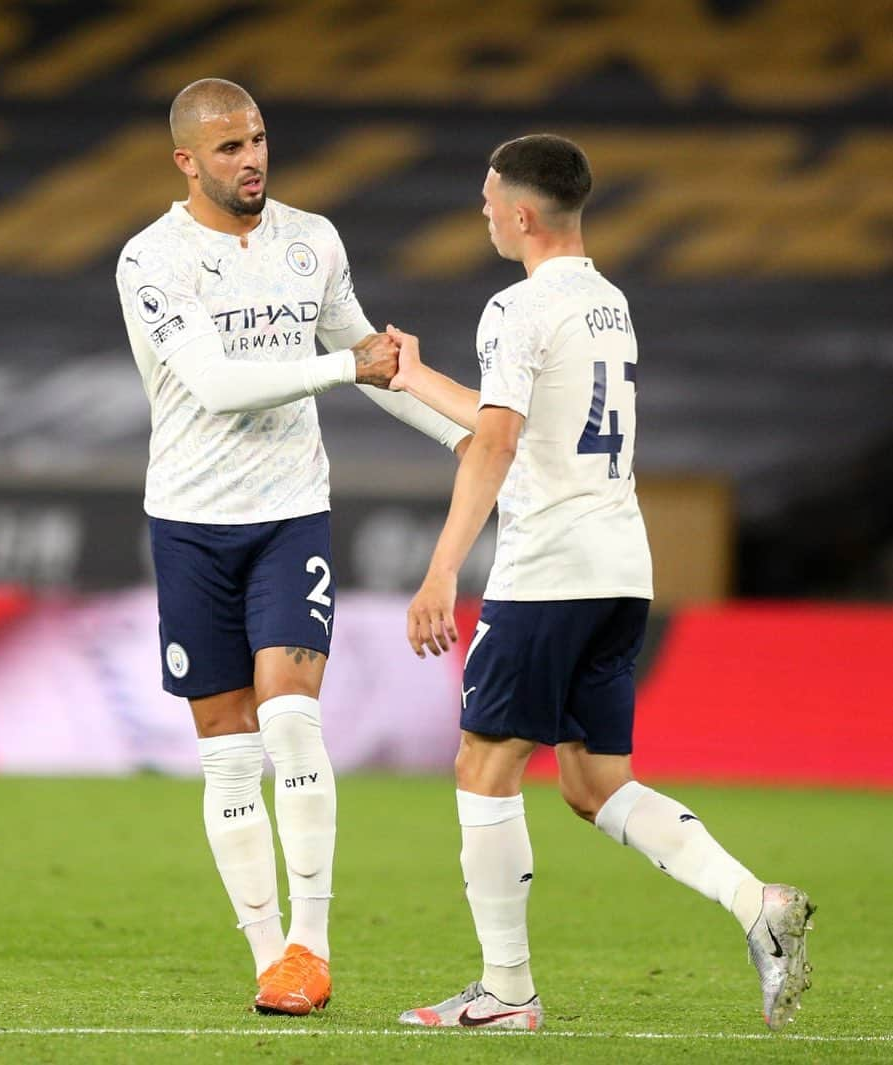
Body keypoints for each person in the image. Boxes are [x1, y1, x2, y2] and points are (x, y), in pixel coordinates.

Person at [386, 134, 814, 1032]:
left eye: (488, 196)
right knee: (592, 780)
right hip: (619, 569)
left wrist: (438, 569)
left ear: (523, 214)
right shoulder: (607, 303)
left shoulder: (515, 306)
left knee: (483, 763)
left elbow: (497, 444)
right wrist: (416, 375)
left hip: (545, 571)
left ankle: (506, 992)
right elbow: (519, 420)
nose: (482, 208)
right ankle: (755, 902)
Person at [115, 79, 470, 1016]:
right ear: (187, 161)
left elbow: (371, 360)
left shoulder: (313, 241)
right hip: (190, 520)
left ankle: (311, 939)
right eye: (228, 148)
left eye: (259, 139)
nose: (252, 159)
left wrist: (466, 440)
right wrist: (344, 365)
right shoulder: (151, 260)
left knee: (290, 718)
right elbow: (218, 385)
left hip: (288, 513)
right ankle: (270, 955)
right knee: (228, 753)